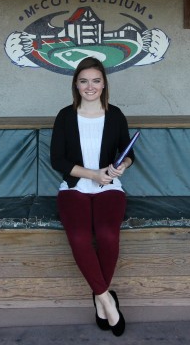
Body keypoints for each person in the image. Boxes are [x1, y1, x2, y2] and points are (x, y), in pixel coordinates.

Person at [50, 56, 135, 337]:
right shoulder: (65, 116)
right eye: (84, 81)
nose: (90, 86)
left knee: (108, 235)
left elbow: (129, 153)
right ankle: (106, 300)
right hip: (75, 188)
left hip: (109, 188)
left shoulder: (115, 114)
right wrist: (92, 175)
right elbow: (57, 160)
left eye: (96, 81)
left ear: (104, 84)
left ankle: (100, 297)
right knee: (79, 238)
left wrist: (122, 165)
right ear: (75, 84)